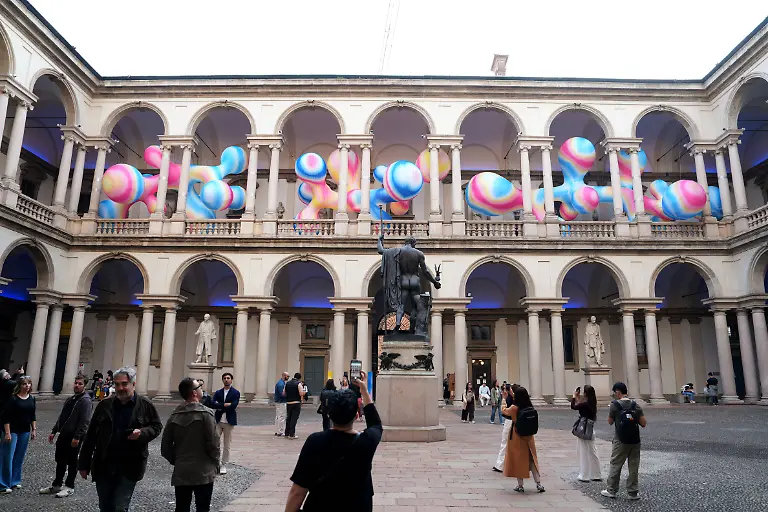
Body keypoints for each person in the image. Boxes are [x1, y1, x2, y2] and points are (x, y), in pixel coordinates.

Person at [286, 371, 382, 511]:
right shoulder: (366, 441)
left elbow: (298, 491)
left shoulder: (315, 441)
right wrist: (364, 390)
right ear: (356, 416)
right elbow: (375, 424)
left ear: (329, 415)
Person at [77, 366, 163, 512]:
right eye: (117, 384)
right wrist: (83, 464)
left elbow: (156, 426)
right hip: (104, 464)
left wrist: (142, 433)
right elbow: (91, 434)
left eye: (124, 384)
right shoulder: (104, 405)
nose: (120, 388)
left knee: (120, 507)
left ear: (133, 384)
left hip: (130, 465)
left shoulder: (145, 405)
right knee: (105, 506)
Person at [161, 378, 220, 512]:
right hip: (204, 470)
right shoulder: (206, 414)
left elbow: (165, 447)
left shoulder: (175, 414)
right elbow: (214, 444)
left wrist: (178, 460)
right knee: (203, 508)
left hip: (182, 470)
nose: (201, 389)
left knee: (182, 507)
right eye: (199, 387)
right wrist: (215, 463)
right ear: (194, 393)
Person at [40, 374, 93, 498]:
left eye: (80, 384)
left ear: (85, 386)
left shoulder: (85, 401)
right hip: (64, 435)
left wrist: (77, 437)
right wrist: (54, 431)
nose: (77, 385)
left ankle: (69, 486)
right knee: (60, 461)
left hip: (74, 437)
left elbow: (85, 421)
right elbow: (62, 416)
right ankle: (57, 484)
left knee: (72, 462)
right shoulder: (71, 399)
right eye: (76, 383)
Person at [601, 382, 646, 500]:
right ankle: (633, 492)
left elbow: (610, 422)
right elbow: (643, 423)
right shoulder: (635, 405)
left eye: (614, 392)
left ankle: (611, 490)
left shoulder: (615, 405)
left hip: (620, 440)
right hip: (635, 440)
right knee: (634, 465)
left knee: (616, 464)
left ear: (618, 392)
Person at [502, 386, 545, 493]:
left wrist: (504, 399)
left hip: (517, 437)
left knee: (519, 461)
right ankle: (538, 484)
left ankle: (520, 485)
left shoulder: (514, 408)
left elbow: (504, 411)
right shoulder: (529, 406)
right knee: (532, 460)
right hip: (529, 437)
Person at [0, 375, 36, 494]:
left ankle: (15, 481)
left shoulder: (32, 398)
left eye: (28, 384)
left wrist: (34, 429)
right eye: (24, 384)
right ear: (19, 386)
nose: (27, 386)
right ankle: (3, 484)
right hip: (12, 430)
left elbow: (32, 415)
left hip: (24, 431)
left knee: (19, 457)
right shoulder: (13, 399)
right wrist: (7, 433)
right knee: (7, 457)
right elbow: (5, 417)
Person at [211, 372, 239, 475]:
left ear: (231, 380)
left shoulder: (235, 392)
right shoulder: (218, 392)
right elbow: (213, 404)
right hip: (218, 420)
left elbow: (234, 405)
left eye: (228, 378)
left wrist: (220, 405)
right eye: (224, 378)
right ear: (222, 380)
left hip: (229, 421)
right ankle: (216, 462)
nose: (226, 380)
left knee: (227, 444)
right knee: (215, 442)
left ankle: (223, 464)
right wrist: (225, 405)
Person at [571, 385, 601, 482]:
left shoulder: (585, 404)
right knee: (593, 452)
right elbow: (581, 406)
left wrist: (574, 396)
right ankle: (596, 474)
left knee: (583, 452)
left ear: (585, 394)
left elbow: (574, 407)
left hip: (583, 429)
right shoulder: (592, 403)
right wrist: (578, 398)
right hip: (590, 430)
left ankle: (584, 475)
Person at [492, 383, 519, 473]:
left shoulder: (513, 399)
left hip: (510, 421)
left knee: (505, 443)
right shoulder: (518, 399)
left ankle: (500, 465)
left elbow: (504, 411)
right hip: (516, 422)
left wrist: (504, 399)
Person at [284, 372, 306, 440]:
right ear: (299, 378)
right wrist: (304, 392)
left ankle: (286, 433)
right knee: (294, 418)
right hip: (296, 403)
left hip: (288, 403)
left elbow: (283, 393)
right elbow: (301, 393)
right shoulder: (298, 384)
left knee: (288, 418)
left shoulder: (287, 383)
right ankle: (292, 434)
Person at [274, 372, 289, 437]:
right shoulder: (281, 384)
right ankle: (280, 431)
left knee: (278, 416)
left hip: (278, 401)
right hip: (281, 402)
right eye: (287, 376)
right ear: (284, 376)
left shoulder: (280, 383)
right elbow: (282, 394)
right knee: (282, 416)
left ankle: (277, 430)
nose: (288, 378)